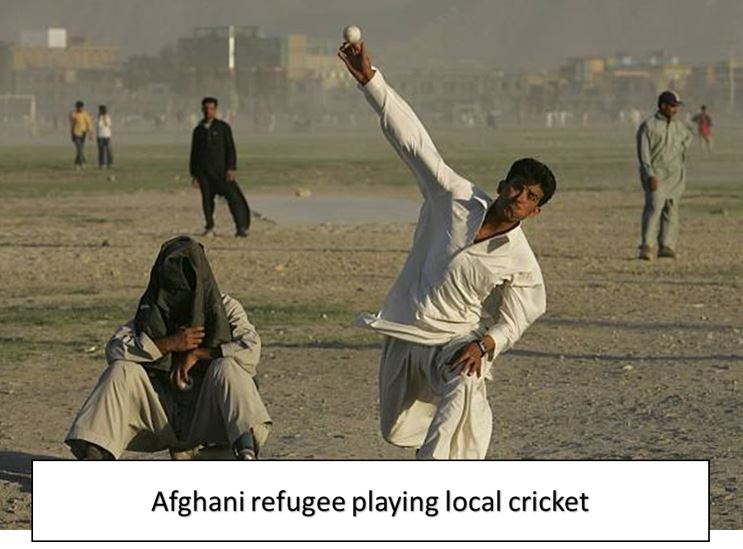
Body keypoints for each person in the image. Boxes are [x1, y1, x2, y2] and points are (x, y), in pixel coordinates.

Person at [339, 41, 556, 460]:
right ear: (501, 184)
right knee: (395, 427)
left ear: (536, 211)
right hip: (405, 335)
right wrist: (371, 81)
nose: (518, 197)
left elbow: (521, 315)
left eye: (530, 196)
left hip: (452, 341)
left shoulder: (520, 260)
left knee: (467, 384)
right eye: (516, 186)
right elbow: (414, 141)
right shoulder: (453, 197)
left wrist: (486, 344)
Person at [65, 236, 271, 460]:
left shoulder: (224, 307)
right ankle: (95, 457)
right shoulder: (154, 309)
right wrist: (167, 344)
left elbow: (251, 349)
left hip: (207, 415)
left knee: (227, 366)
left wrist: (200, 353)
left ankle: (246, 454)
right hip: (161, 415)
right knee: (122, 370)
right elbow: (114, 349)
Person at [636, 91, 694, 260]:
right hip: (656, 174)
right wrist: (649, 174)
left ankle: (667, 246)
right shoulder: (649, 126)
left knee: (671, 209)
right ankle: (647, 246)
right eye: (673, 106)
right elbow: (643, 154)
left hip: (675, 174)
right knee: (654, 207)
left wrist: (679, 154)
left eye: (677, 107)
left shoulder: (678, 126)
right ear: (663, 106)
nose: (675, 110)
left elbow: (688, 138)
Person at [190, 97, 251, 238]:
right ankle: (210, 226)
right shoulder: (198, 130)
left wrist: (231, 168)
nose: (208, 111)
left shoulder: (223, 128)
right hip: (204, 172)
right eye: (205, 109)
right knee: (207, 201)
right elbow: (194, 153)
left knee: (234, 198)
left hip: (222, 172)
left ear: (215, 110)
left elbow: (230, 149)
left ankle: (241, 227)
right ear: (202, 110)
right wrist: (194, 174)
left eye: (211, 109)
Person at [69, 100, 94, 169]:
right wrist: (71, 134)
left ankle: (78, 163)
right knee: (79, 149)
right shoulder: (74, 114)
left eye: (81, 107)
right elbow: (72, 125)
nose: (80, 109)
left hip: (83, 133)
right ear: (76, 107)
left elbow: (89, 124)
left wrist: (91, 133)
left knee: (81, 149)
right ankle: (82, 162)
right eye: (79, 107)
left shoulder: (85, 114)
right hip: (76, 133)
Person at [96, 104, 113, 169]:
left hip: (107, 135)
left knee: (109, 150)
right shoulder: (98, 117)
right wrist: (101, 118)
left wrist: (104, 118)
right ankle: (102, 164)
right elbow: (98, 125)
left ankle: (109, 163)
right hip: (100, 135)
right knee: (101, 150)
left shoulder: (107, 116)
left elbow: (109, 124)